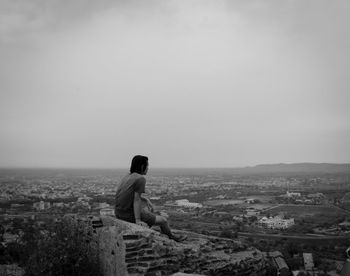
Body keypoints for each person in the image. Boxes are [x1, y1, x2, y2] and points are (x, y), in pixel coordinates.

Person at [115, 155, 187, 242]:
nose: (148, 168)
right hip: (128, 214)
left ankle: (151, 227)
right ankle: (172, 237)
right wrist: (138, 220)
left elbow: (128, 194)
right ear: (142, 166)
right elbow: (136, 199)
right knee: (163, 220)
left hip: (118, 212)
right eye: (147, 165)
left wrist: (146, 199)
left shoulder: (127, 176)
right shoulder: (140, 179)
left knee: (148, 211)